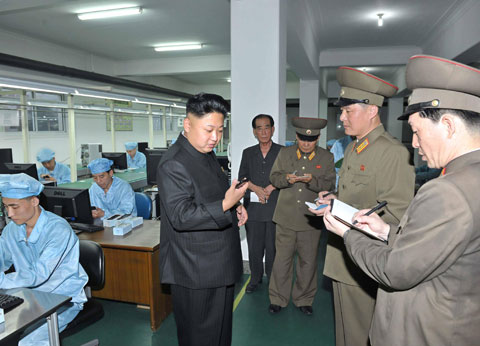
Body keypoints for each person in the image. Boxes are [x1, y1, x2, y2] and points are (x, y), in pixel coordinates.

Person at [320, 55, 480, 346]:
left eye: (417, 132)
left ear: (448, 126)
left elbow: (397, 269)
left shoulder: (448, 190)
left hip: (428, 324)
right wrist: (384, 230)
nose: (415, 144)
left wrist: (348, 232)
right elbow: (431, 240)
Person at [313, 67, 415, 346]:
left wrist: (350, 221)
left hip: (365, 262)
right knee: (345, 333)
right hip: (341, 258)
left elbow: (397, 215)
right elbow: (358, 195)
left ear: (372, 111)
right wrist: (335, 200)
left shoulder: (393, 152)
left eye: (349, 111)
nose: (342, 117)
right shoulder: (353, 147)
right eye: (342, 111)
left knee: (361, 334)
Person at [157, 93, 248, 346]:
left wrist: (235, 206)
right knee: (200, 337)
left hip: (218, 264)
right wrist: (225, 204)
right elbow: (181, 216)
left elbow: (212, 194)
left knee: (220, 334)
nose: (215, 138)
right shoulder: (174, 163)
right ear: (187, 125)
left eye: (220, 130)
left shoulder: (205, 153)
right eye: (209, 129)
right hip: (195, 270)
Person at [0, 173, 87, 346]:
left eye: (14, 207)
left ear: (34, 201)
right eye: (5, 207)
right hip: (28, 296)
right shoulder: (12, 230)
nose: (9, 213)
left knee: (28, 343)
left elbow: (39, 274)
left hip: (62, 297)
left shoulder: (58, 230)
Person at [268, 117, 336, 315]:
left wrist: (312, 181)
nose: (306, 143)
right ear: (296, 137)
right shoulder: (285, 153)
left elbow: (329, 185)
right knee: (282, 260)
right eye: (302, 139)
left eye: (312, 139)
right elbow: (274, 177)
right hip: (285, 218)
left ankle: (304, 299)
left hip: (310, 219)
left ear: (318, 138)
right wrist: (286, 179)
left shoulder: (326, 157)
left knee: (308, 261)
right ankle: (278, 298)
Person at [238, 114, 282, 293]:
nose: (263, 131)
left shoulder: (282, 152)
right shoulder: (248, 153)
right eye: (259, 128)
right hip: (253, 210)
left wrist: (270, 188)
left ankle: (273, 279)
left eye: (266, 127)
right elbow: (242, 179)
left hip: (274, 208)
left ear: (272, 129)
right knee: (254, 247)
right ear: (254, 132)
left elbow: (286, 176)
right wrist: (256, 188)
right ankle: (254, 279)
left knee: (273, 248)